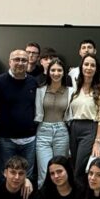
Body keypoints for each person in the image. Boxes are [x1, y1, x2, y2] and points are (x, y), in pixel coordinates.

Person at [0, 48, 38, 175]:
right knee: (6, 175)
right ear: (10, 62)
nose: (20, 63)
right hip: (5, 140)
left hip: (29, 139)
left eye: (24, 60)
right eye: (17, 59)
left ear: (28, 63)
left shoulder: (33, 82)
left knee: (27, 176)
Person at [68, 54, 100, 176]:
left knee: (81, 168)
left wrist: (97, 142)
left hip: (90, 128)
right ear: (81, 67)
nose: (89, 67)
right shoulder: (75, 87)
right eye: (86, 64)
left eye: (92, 65)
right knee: (74, 166)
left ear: (96, 69)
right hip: (74, 127)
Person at [34, 58, 74, 186]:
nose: (56, 73)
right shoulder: (40, 90)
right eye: (53, 70)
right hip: (43, 132)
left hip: (62, 132)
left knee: (60, 171)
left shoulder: (71, 91)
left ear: (64, 72)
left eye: (59, 70)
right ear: (48, 72)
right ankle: (43, 198)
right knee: (44, 172)